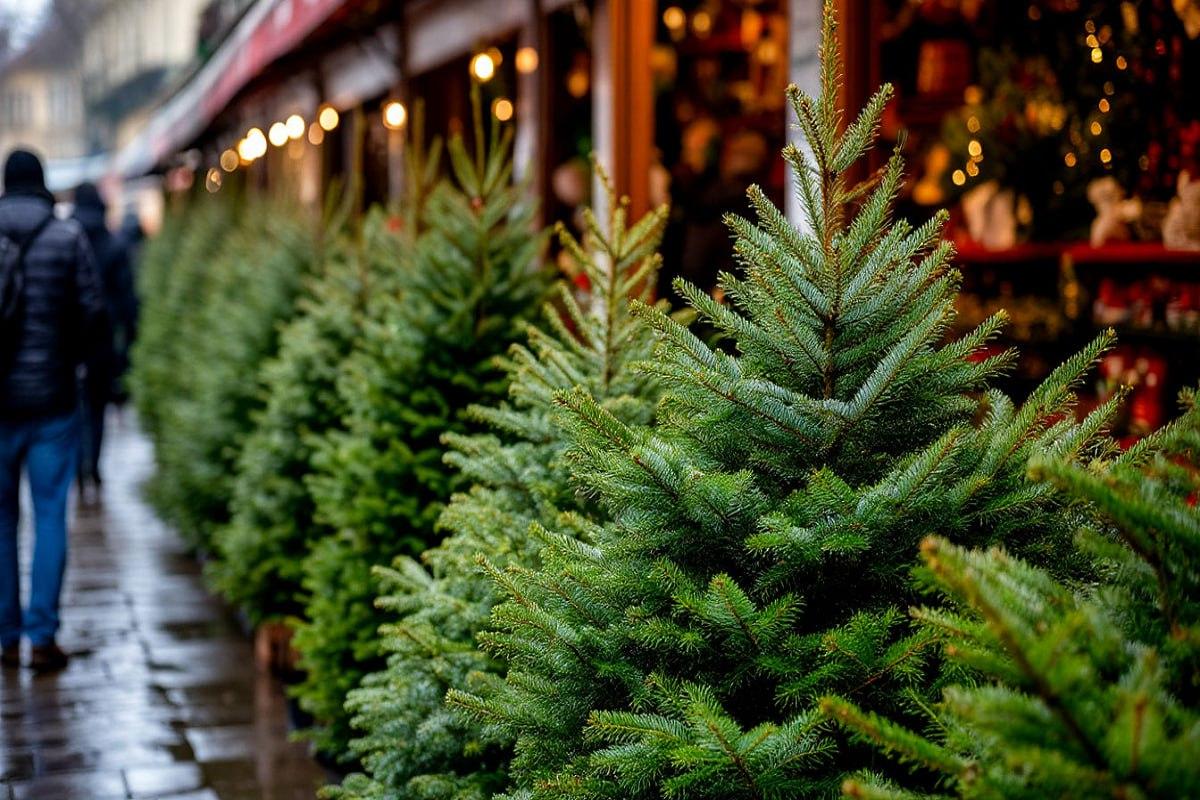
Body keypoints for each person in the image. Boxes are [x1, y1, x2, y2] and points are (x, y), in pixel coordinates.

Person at [0, 150, 106, 673]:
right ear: (41, 185)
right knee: (48, 516)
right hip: (53, 403)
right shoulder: (66, 239)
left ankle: (4, 635)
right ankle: (41, 636)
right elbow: (93, 311)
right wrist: (75, 362)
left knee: (0, 521)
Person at [72, 183, 135, 495]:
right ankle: (92, 465)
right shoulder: (114, 243)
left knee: (73, 406)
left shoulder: (66, 238)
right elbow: (127, 299)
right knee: (97, 408)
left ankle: (78, 465)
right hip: (102, 338)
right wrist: (129, 343)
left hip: (68, 340)